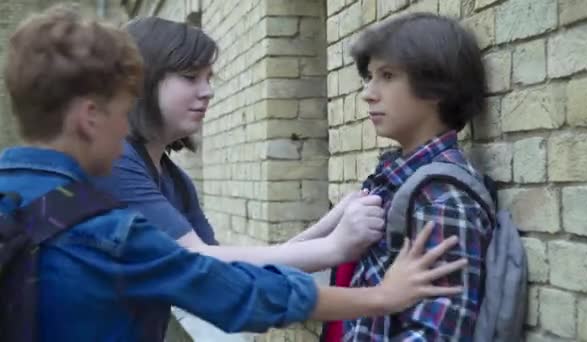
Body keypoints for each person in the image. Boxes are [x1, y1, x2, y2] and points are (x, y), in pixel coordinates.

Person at [0, 5, 467, 341]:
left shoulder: (21, 187)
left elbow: (224, 262)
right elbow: (217, 281)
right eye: (125, 111)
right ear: (89, 116)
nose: (207, 93)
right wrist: (379, 295)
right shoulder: (106, 222)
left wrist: (328, 229)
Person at [93, 16, 384, 273]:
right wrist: (335, 247)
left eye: (208, 78)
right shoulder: (114, 161)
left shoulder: (175, 181)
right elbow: (198, 259)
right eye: (190, 77)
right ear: (142, 82)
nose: (208, 92)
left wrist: (331, 224)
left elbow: (224, 268)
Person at [298, 13, 494, 341]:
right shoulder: (392, 180)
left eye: (387, 76)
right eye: (370, 76)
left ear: (436, 87)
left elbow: (436, 334)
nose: (368, 93)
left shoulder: (442, 197)